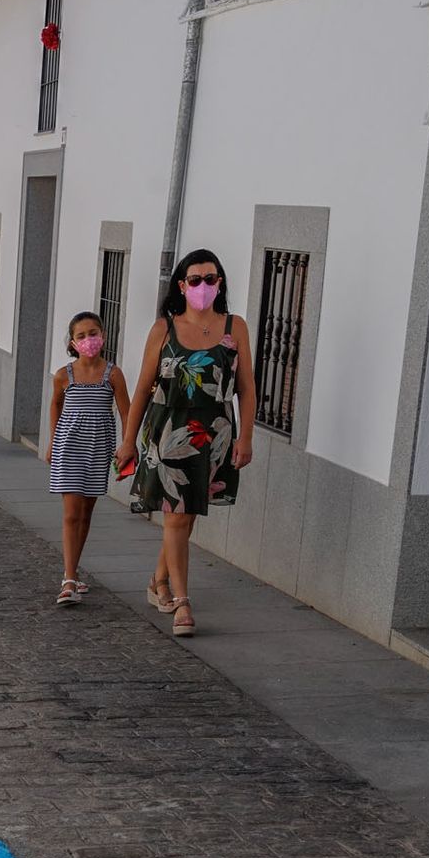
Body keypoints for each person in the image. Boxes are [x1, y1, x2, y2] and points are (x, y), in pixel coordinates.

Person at [118, 248, 255, 638]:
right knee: (176, 515)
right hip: (170, 429)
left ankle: (158, 580)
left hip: (216, 430)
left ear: (220, 282)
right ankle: (181, 601)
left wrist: (245, 436)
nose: (202, 286)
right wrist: (128, 440)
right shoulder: (164, 328)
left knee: (188, 514)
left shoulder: (235, 327)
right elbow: (144, 388)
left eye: (210, 279)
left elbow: (246, 388)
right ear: (182, 285)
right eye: (194, 280)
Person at [47, 312, 130, 607]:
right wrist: (53, 442)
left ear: (103, 336)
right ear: (72, 342)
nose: (88, 340)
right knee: (71, 513)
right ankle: (68, 579)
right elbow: (56, 406)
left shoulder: (113, 374)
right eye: (81, 336)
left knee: (85, 513)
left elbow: (125, 412)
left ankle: (74, 569)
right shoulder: (63, 375)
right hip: (68, 449)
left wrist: (126, 446)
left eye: (92, 333)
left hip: (98, 448)